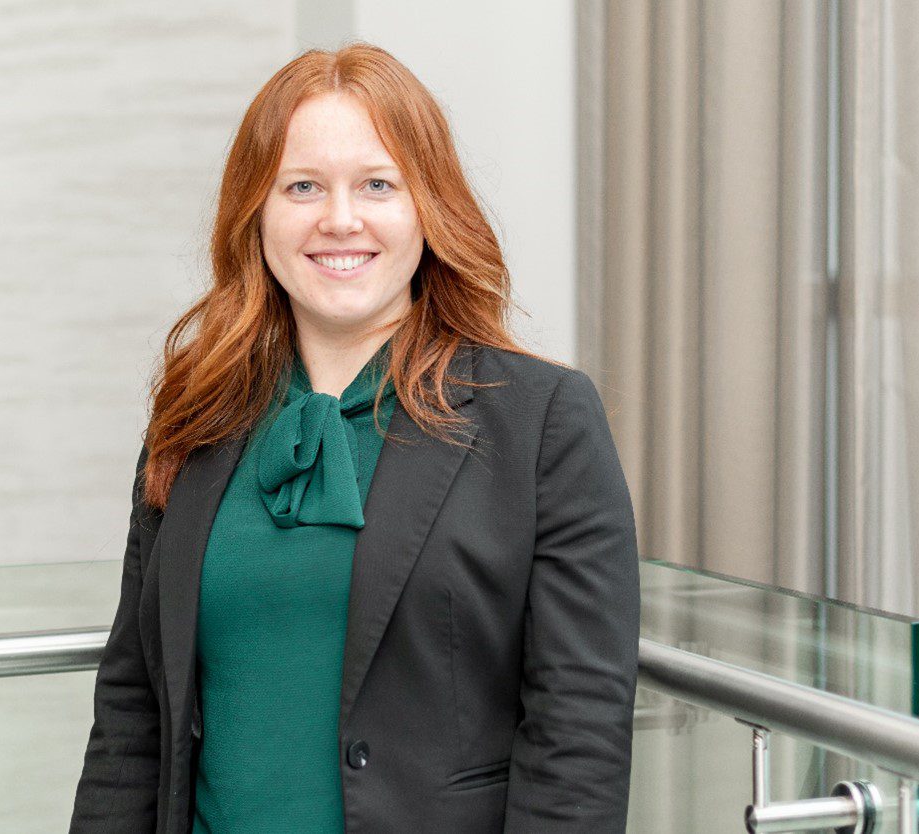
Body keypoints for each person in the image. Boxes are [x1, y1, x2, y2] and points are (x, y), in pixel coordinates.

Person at [69, 41, 639, 834]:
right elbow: (130, 711)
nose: (340, 219)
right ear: (256, 213)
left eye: (377, 184)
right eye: (302, 186)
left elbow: (577, 733)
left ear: (427, 207)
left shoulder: (541, 419)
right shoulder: (195, 413)